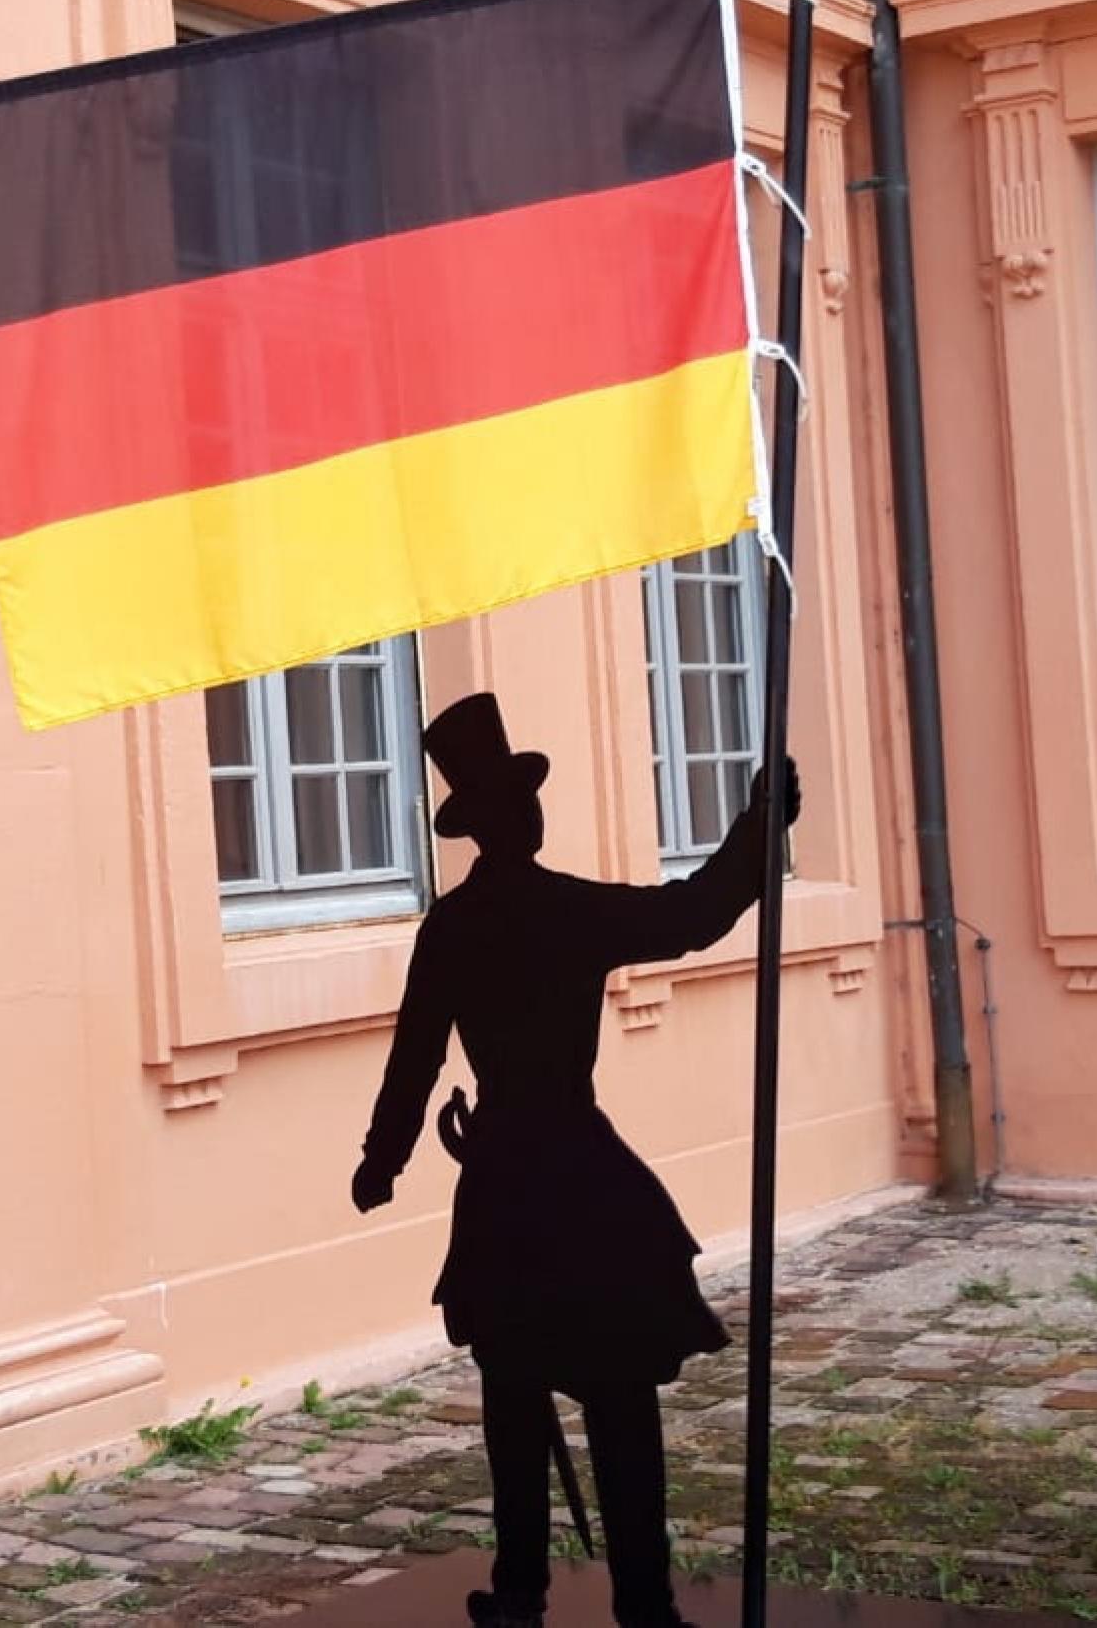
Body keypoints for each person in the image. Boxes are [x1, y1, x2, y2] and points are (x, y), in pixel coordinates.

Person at [351, 691, 798, 1628]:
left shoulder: (459, 925)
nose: (533, 814)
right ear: (505, 822)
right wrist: (757, 829)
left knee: (525, 1400)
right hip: (574, 1179)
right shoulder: (556, 912)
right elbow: (693, 915)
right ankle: (632, 1596)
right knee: (604, 1401)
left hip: (512, 1177)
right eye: (523, 802)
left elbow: (416, 1058)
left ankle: (531, 1590)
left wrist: (383, 1159)